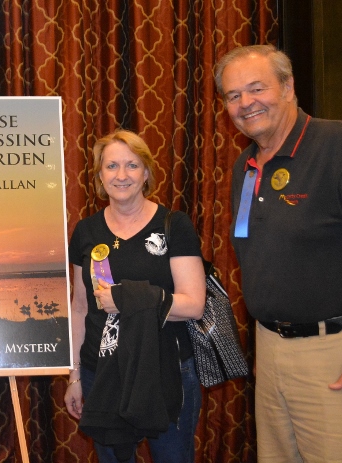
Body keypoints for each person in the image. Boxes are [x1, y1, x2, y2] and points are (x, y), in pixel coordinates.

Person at [215, 44, 342, 462]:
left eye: (257, 88)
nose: (245, 103)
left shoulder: (339, 145)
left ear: (288, 87)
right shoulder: (246, 167)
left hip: (339, 356)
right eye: (233, 96)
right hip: (271, 352)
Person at [63, 130, 206, 463]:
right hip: (102, 372)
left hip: (166, 371)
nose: (121, 174)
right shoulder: (86, 232)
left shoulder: (174, 225)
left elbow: (194, 304)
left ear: (146, 173)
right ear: (100, 176)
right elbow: (80, 307)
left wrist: (129, 298)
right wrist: (74, 376)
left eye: (132, 165)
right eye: (111, 166)